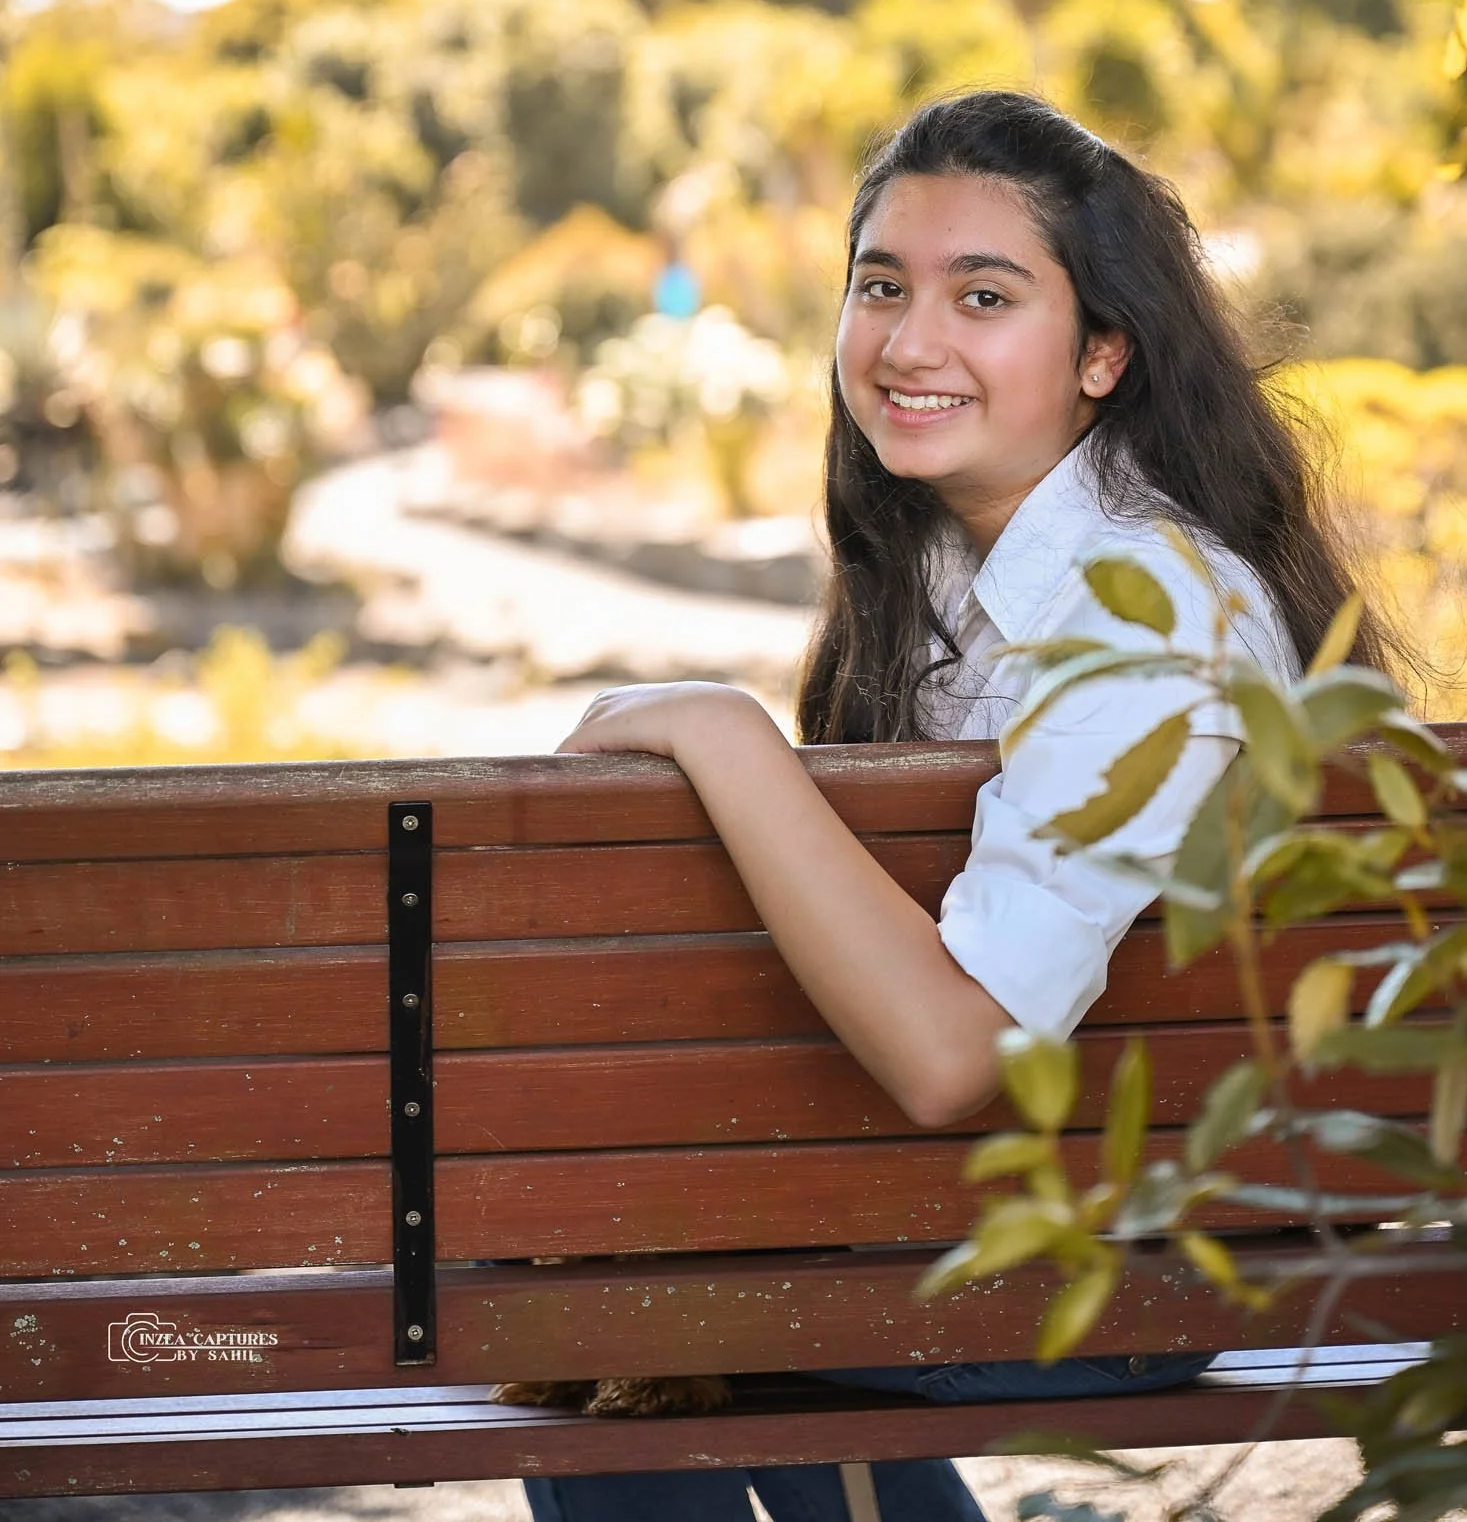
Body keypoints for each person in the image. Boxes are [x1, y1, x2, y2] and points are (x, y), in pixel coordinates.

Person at [520, 89, 1405, 1522]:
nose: (907, 340)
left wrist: (724, 736)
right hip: (966, 1206)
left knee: (628, 1305)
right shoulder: (945, 572)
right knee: (609, 1286)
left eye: (979, 295)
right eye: (881, 286)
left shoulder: (1148, 619)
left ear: (1103, 352)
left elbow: (948, 1056)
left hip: (1132, 1251)